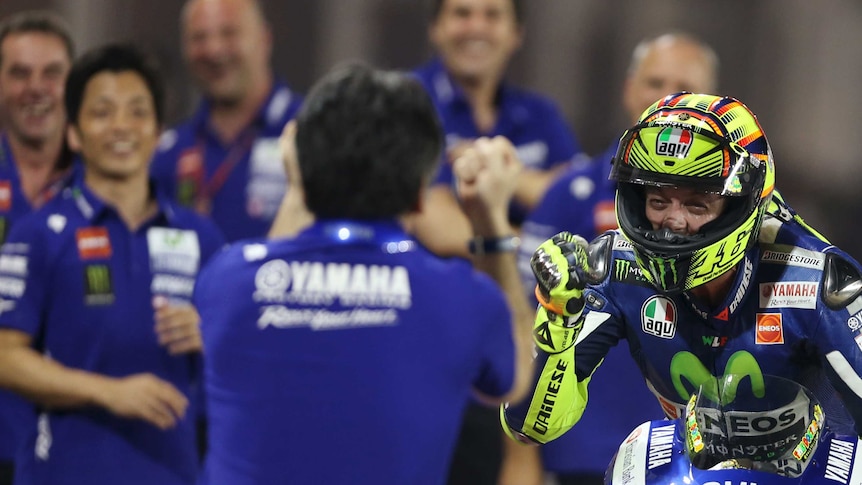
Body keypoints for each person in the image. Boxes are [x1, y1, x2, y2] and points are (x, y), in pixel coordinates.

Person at [194, 63, 534, 485]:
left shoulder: (227, 279)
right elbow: (512, 380)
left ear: (300, 165)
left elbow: (272, 260)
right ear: (418, 197)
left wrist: (299, 187)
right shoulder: (461, 297)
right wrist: (490, 223)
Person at [503, 92, 862, 472]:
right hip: (693, 468)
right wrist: (559, 320)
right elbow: (528, 426)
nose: (673, 222)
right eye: (658, 201)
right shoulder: (613, 268)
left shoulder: (820, 283)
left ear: (742, 206)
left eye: (696, 205)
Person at [0, 43, 225, 485]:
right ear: (74, 134)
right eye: (102, 112)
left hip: (177, 473)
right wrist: (109, 393)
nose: (122, 126)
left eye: (138, 112)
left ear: (159, 129)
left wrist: (212, 334)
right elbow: (5, 356)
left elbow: (246, 352)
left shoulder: (202, 237)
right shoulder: (39, 234)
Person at [518, 32, 720, 485]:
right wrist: (520, 451)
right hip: (577, 454)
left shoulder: (743, 211)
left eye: (685, 88)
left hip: (699, 461)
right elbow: (521, 319)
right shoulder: (570, 193)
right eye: (655, 82)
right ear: (629, 89)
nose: (668, 98)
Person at [410, 0, 582, 260]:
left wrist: (502, 173)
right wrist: (538, 252)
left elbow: (578, 199)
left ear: (516, 33)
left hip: (528, 294)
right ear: (436, 28)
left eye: (492, 15)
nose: (477, 27)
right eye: (462, 13)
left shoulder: (540, 114)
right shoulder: (406, 102)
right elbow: (435, 222)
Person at [150, 0, 303, 242]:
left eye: (229, 33)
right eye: (199, 37)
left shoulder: (308, 135)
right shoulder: (166, 153)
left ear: (265, 39)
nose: (214, 50)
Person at [0, 10, 76, 484]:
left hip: (75, 443)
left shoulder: (108, 190)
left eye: (52, 73)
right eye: (19, 73)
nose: (37, 88)